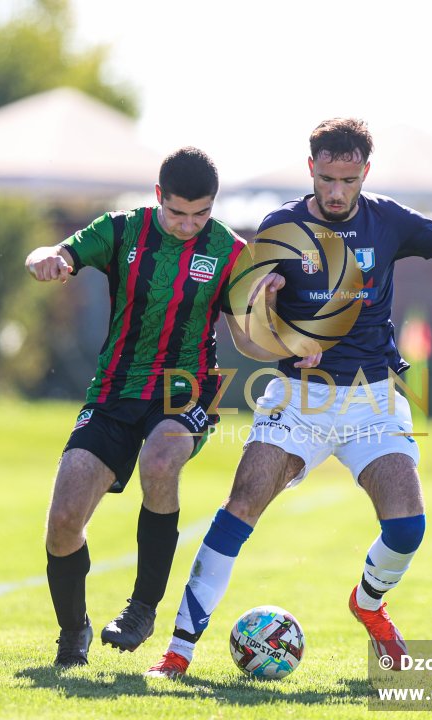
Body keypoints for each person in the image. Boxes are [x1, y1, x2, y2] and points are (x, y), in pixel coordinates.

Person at [146, 118, 432, 678]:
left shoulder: (388, 220)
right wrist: (278, 324)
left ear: (365, 173)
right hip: (298, 401)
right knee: (241, 505)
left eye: (347, 180)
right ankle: (177, 653)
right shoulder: (281, 228)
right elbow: (245, 334)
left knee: (406, 528)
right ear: (311, 169)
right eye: (326, 177)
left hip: (372, 402)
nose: (335, 191)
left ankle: (369, 605)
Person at [26, 146, 266, 668]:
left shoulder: (230, 251)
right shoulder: (121, 229)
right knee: (65, 519)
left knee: (160, 461)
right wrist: (48, 259)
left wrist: (282, 334)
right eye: (178, 213)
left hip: (189, 389)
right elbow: (60, 252)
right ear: (159, 197)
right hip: (114, 392)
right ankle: (74, 631)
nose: (188, 225)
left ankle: (142, 608)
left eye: (200, 214)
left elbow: (249, 339)